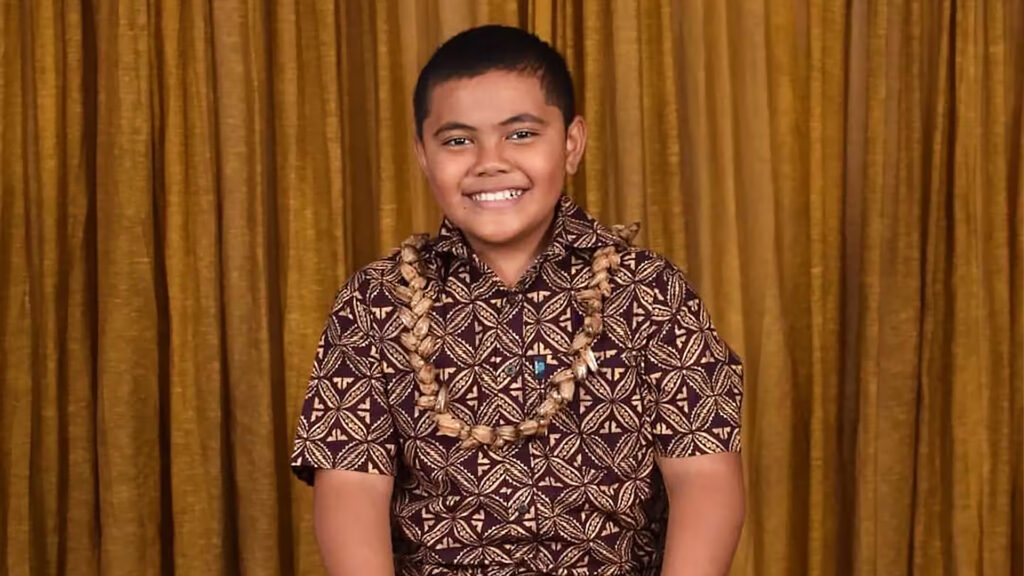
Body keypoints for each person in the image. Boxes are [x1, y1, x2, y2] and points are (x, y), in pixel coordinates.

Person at [290, 25, 745, 576]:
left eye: (521, 134)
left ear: (571, 144)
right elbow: (351, 490)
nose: (490, 161)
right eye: (458, 141)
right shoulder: (375, 302)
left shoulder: (649, 291)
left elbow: (704, 477)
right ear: (423, 155)